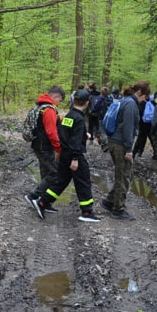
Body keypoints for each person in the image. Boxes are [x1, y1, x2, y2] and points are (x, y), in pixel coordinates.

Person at [29, 89, 100, 222]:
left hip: (65, 154)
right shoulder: (79, 118)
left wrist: (60, 152)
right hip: (74, 156)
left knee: (61, 181)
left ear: (73, 101)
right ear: (86, 103)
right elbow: (75, 141)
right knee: (83, 181)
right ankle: (86, 212)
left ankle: (42, 202)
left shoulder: (69, 116)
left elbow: (65, 134)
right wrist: (75, 159)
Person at [102, 81, 151, 220]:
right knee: (124, 175)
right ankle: (118, 209)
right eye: (145, 96)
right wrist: (129, 150)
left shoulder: (125, 101)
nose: (144, 100)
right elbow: (128, 128)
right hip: (121, 144)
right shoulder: (131, 105)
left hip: (115, 141)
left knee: (122, 174)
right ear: (139, 93)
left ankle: (109, 201)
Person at [25, 85, 65, 212]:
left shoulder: (40, 107)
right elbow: (51, 132)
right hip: (45, 147)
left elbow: (54, 123)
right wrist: (58, 148)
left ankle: (43, 202)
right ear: (56, 96)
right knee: (54, 174)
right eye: (60, 100)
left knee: (45, 173)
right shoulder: (49, 109)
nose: (59, 103)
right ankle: (34, 196)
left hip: (38, 145)